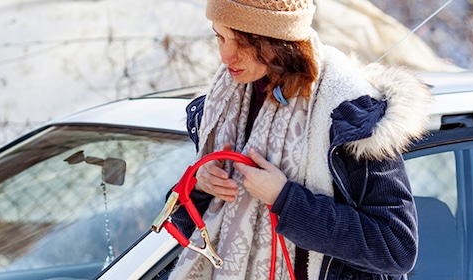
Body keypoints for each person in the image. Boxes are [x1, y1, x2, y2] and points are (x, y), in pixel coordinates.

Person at [165, 0, 432, 279]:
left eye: (241, 42)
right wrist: (200, 186)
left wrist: (285, 200)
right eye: (219, 37)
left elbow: (395, 247)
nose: (225, 56)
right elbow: (187, 229)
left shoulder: (349, 114)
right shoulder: (224, 104)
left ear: (279, 40)